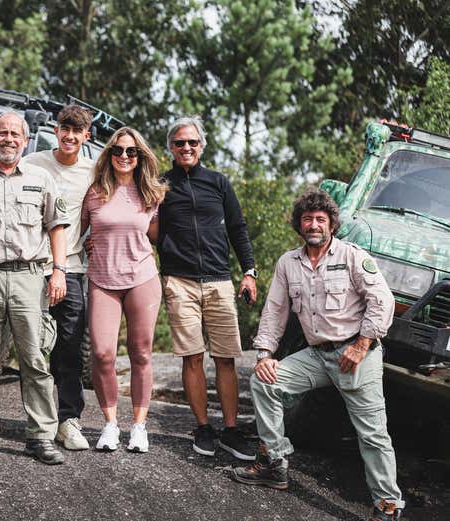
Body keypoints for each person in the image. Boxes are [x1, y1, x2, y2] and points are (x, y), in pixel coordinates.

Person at [232, 189, 404, 521]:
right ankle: (274, 464)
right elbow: (274, 312)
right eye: (307, 219)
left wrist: (362, 344)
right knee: (264, 381)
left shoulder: (352, 256)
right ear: (299, 224)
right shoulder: (287, 263)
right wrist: (265, 354)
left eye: (320, 220)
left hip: (356, 355)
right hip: (316, 356)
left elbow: (383, 301)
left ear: (331, 225)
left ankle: (388, 505)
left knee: (372, 434)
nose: (314, 225)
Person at [0, 104, 95, 450]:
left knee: (35, 358)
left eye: (15, 134)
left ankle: (41, 435)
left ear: (26, 140)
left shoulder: (41, 177)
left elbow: (58, 228)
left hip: (30, 277)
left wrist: (59, 272)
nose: (8, 139)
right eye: (2, 133)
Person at [157, 116, 257, 460]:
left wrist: (250, 272)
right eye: (180, 143)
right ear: (170, 147)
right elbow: (141, 224)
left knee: (226, 358)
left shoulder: (219, 182)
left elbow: (238, 228)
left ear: (202, 146)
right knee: (192, 357)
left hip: (218, 280)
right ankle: (202, 427)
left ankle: (230, 430)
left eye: (192, 143)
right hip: (178, 281)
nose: (186, 148)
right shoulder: (160, 184)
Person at [80, 127, 167, 453]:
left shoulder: (152, 194)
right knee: (102, 354)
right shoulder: (94, 192)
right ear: (109, 154)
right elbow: (75, 232)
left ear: (140, 156)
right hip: (102, 279)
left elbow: (155, 237)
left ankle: (139, 427)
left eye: (131, 152)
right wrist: (89, 244)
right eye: (118, 151)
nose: (124, 157)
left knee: (141, 353)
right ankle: (110, 424)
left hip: (142, 279)